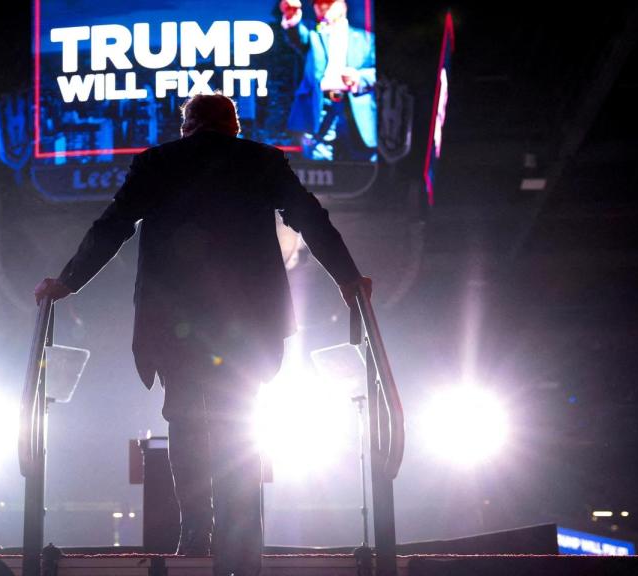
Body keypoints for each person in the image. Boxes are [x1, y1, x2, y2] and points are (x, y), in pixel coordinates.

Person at [34, 94, 371, 576]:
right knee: (242, 420)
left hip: (177, 321)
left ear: (185, 126)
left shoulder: (158, 161)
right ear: (233, 125)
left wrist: (67, 281)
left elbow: (114, 225)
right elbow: (311, 218)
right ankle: (243, 536)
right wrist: (347, 277)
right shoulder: (261, 159)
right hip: (247, 321)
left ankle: (196, 530)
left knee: (187, 423)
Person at [279, 0, 377, 161]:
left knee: (362, 163)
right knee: (318, 164)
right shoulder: (313, 35)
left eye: (329, 2)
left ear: (343, 5)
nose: (323, 7)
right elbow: (296, 35)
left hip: (355, 109)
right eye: (319, 3)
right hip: (320, 107)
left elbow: (379, 73)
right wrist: (292, 17)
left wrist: (359, 77)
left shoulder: (365, 39)